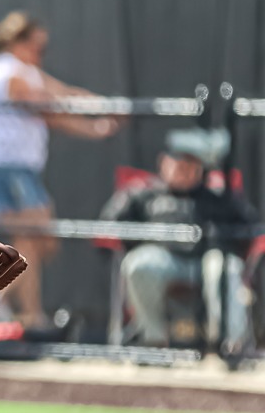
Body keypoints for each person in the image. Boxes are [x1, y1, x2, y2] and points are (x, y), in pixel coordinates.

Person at [0, 11, 120, 327]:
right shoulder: (5, 70)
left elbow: (64, 93)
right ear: (16, 42)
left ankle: (27, 315)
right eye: (37, 46)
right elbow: (49, 107)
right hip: (4, 169)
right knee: (39, 235)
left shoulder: (27, 70)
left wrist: (107, 106)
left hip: (18, 169)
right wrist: (94, 128)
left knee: (34, 241)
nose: (40, 54)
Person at [99, 128, 256, 352]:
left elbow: (249, 227)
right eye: (180, 164)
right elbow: (109, 223)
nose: (186, 172)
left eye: (193, 166)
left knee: (224, 267)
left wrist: (220, 241)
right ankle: (152, 339)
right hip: (164, 260)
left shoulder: (217, 198)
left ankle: (230, 344)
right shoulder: (144, 194)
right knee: (138, 264)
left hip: (206, 260)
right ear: (163, 162)